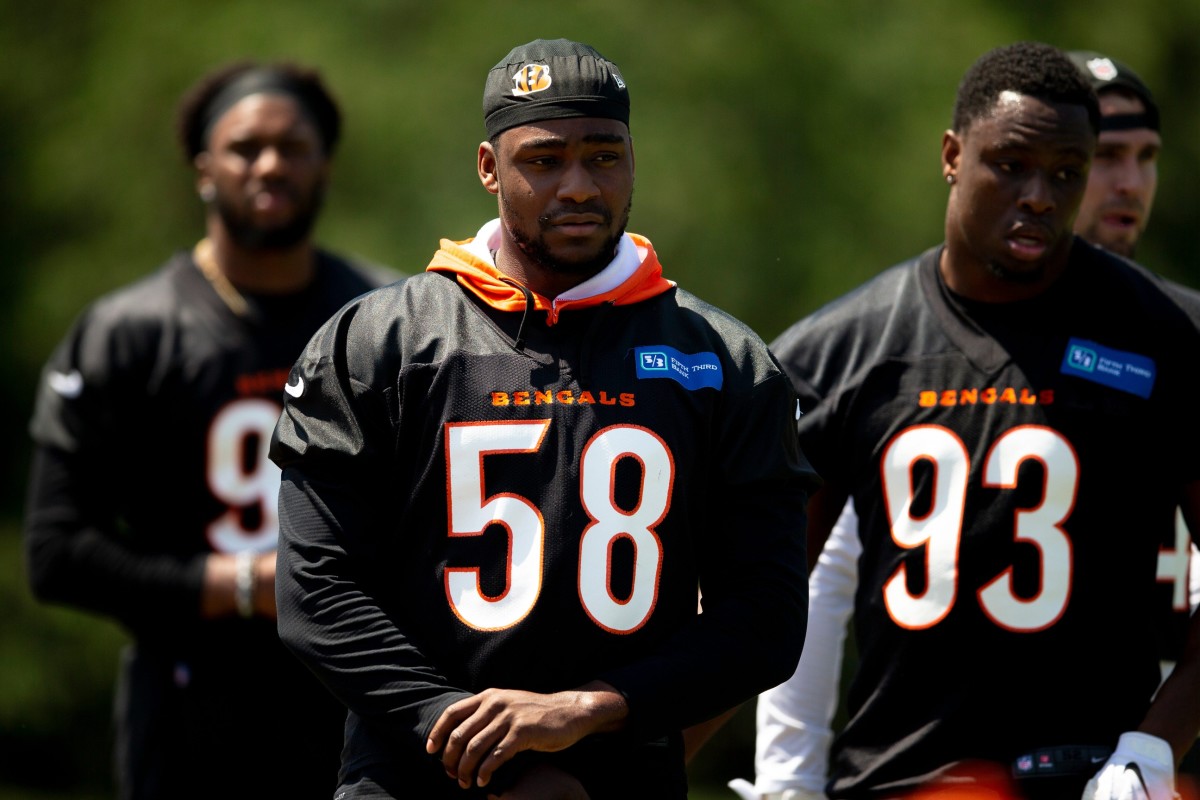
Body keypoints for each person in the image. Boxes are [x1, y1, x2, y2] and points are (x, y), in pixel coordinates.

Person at [268, 37, 814, 799]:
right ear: (489, 167)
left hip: (618, 777)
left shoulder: (725, 359)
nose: (580, 187)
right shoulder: (378, 343)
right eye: (544, 159)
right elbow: (315, 592)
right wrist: (463, 728)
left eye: (603, 156)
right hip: (412, 774)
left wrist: (590, 711)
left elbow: (767, 615)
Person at [731, 47, 1200, 800]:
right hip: (896, 781)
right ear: (953, 155)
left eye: (1065, 171)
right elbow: (763, 602)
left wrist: (1152, 743)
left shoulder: (1167, 340)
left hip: (1089, 780)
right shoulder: (841, 350)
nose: (1041, 196)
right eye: (1011, 165)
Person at [22, 60, 396, 799]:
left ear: (325, 165)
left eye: (293, 147)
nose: (270, 165)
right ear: (203, 169)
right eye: (245, 146)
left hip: (354, 705)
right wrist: (253, 582)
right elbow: (57, 552)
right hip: (189, 710)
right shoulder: (129, 332)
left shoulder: (387, 319)